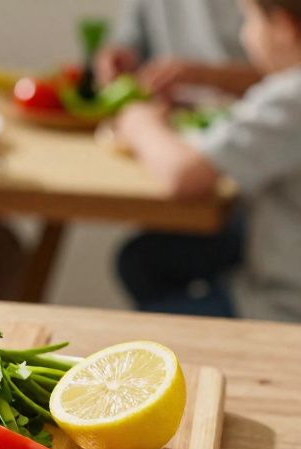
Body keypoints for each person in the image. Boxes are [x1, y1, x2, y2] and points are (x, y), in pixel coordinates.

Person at [114, 0, 301, 322]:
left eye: (249, 21)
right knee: (142, 258)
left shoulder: (291, 96)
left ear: (283, 28)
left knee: (142, 325)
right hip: (275, 247)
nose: (245, 35)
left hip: (284, 302)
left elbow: (184, 175)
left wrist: (140, 124)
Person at [97, 0, 263, 98]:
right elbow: (128, 42)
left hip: (242, 117)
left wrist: (202, 76)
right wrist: (117, 58)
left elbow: (276, 77)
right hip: (164, 120)